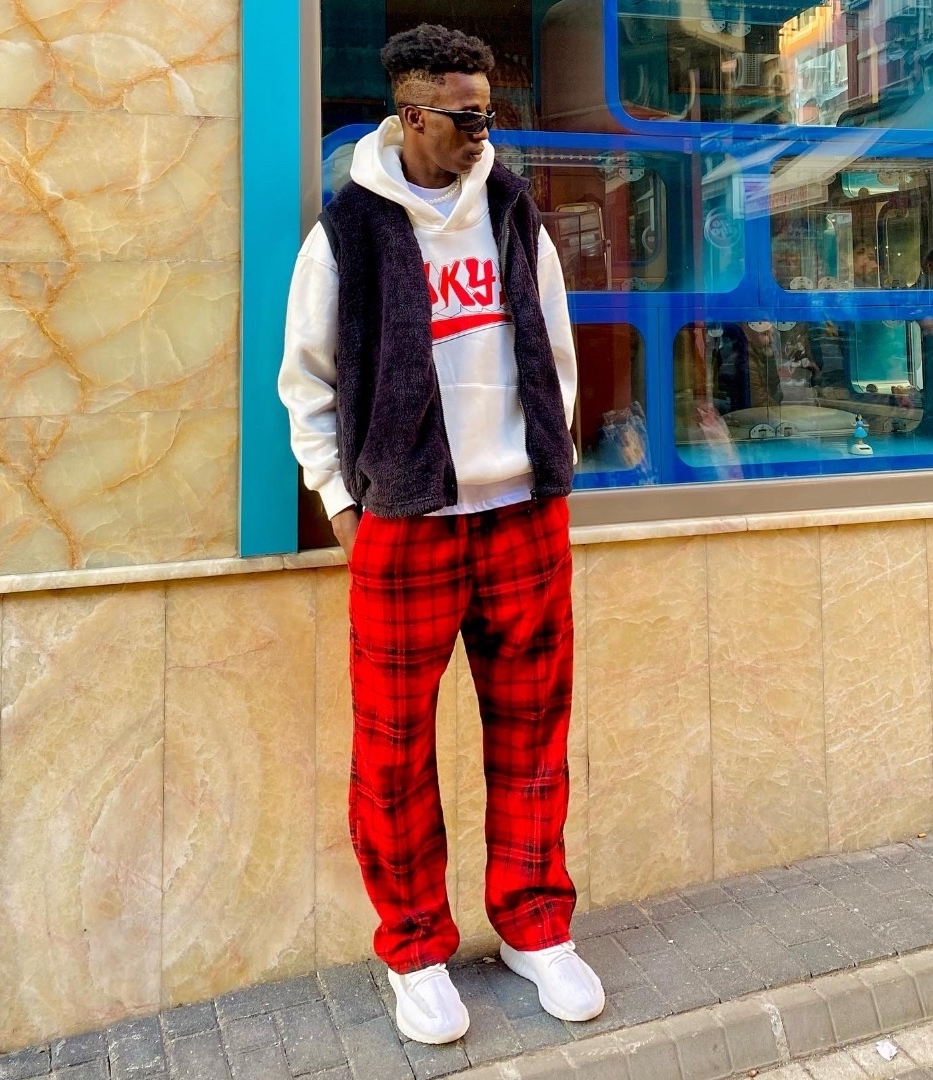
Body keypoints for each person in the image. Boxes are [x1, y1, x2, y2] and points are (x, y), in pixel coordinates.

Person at [278, 23, 604, 1047]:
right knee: (392, 751)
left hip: (521, 518)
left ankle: (534, 925)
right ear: (413, 115)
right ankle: (412, 948)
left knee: (533, 731)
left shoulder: (511, 210)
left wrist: (547, 468)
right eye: (468, 117)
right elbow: (307, 382)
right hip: (406, 526)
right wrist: (342, 505)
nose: (484, 132)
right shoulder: (346, 232)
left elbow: (553, 349)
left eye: (488, 113)